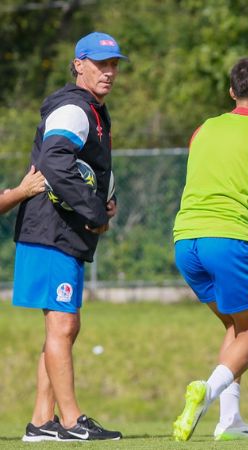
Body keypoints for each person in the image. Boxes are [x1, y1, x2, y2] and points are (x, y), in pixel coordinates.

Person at [13, 31, 124, 442]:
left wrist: (105, 199)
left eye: (113, 65)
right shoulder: (74, 108)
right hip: (50, 232)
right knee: (62, 324)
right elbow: (56, 162)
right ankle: (72, 420)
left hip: (61, 233)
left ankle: (42, 421)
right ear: (78, 64)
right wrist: (93, 211)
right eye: (99, 63)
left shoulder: (93, 111)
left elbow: (85, 169)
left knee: (64, 327)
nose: (108, 72)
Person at [171, 57, 248, 442]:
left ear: (231, 92)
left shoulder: (201, 131)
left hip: (185, 242)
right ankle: (207, 392)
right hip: (227, 241)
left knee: (235, 326)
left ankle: (230, 421)